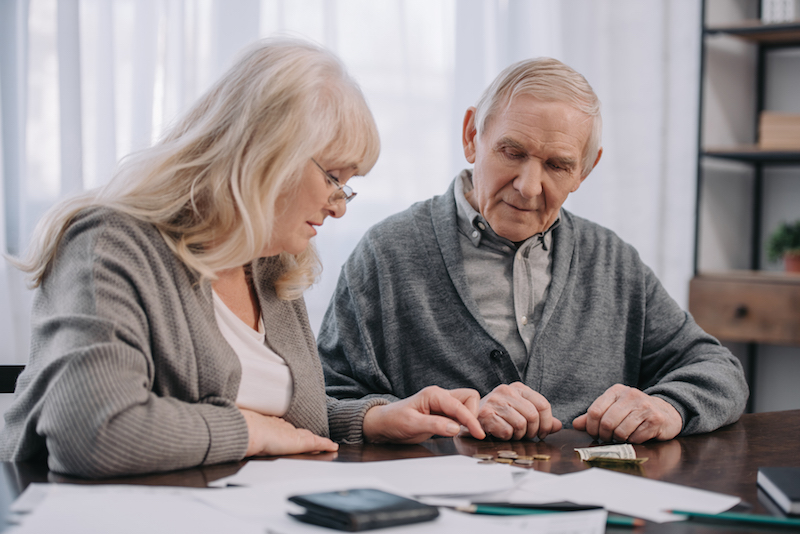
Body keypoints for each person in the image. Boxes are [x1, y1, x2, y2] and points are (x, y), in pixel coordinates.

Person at [0, 38, 485, 479]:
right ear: (266, 154)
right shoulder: (108, 244)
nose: (340, 204)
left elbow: (290, 419)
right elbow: (92, 434)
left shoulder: (270, 263)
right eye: (335, 177)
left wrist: (373, 417)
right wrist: (249, 432)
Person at [318, 57, 749, 444]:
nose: (528, 186)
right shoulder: (387, 253)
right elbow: (322, 397)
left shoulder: (613, 261)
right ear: (472, 136)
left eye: (557, 165)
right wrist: (413, 415)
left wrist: (668, 407)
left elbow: (718, 370)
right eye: (512, 151)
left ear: (585, 169)